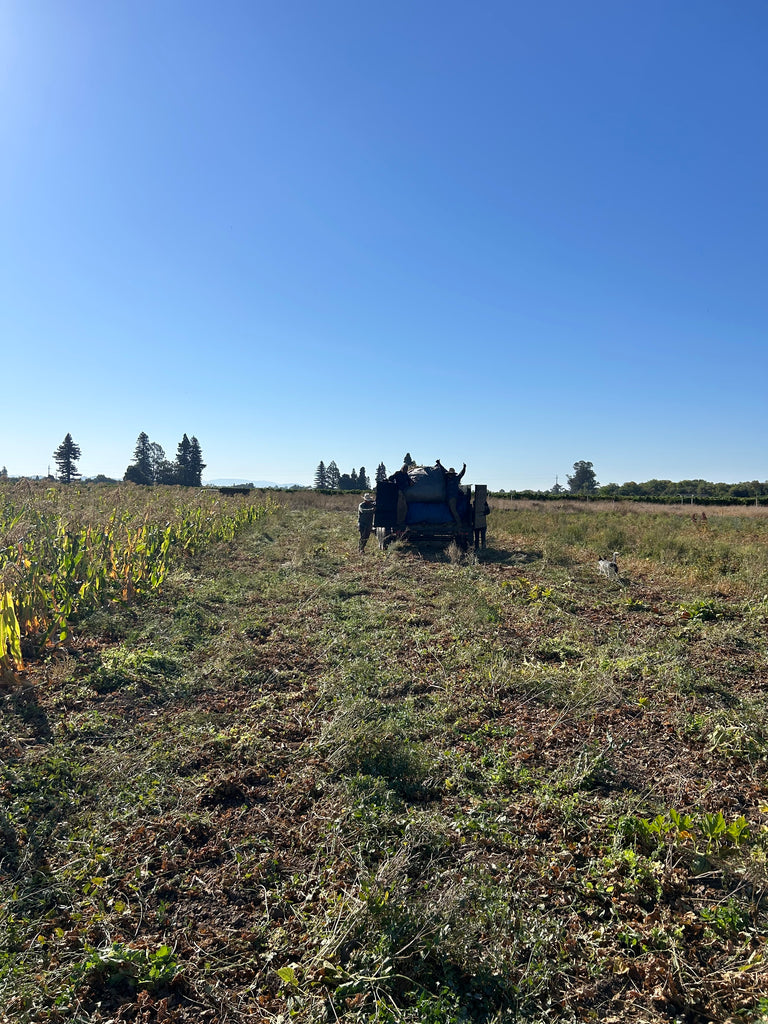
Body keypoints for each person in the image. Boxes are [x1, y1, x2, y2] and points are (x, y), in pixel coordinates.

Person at [435, 459, 466, 524]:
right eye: (450, 474)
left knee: (453, 510)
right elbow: (443, 470)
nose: (450, 475)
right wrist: (439, 464)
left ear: (453, 474)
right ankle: (450, 522)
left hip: (453, 497)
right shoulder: (447, 478)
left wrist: (464, 468)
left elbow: (461, 474)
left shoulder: (456, 479)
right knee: (448, 510)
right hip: (447, 497)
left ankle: (459, 524)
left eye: (451, 474)